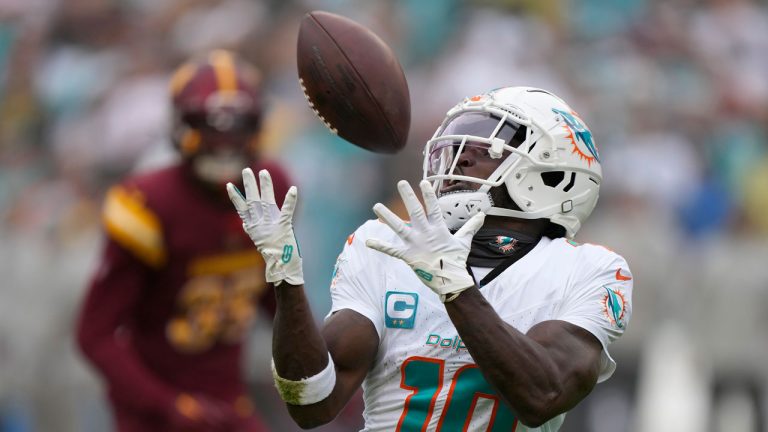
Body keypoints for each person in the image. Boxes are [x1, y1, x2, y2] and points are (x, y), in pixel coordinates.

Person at [227, 86, 633, 431]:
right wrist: (285, 279)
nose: (459, 160)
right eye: (456, 147)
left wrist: (456, 289)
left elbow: (542, 395)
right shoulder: (384, 244)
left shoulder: (589, 270)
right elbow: (312, 402)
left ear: (553, 176)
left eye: (483, 150)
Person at [76, 50, 290, 432]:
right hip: (154, 414)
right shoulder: (151, 204)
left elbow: (274, 296)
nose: (224, 141)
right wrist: (167, 403)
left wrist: (323, 359)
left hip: (228, 402)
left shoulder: (270, 186)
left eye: (238, 125)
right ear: (179, 125)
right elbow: (95, 334)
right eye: (209, 124)